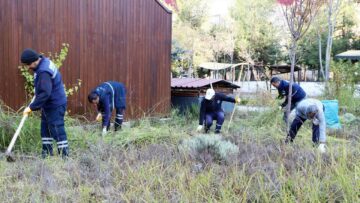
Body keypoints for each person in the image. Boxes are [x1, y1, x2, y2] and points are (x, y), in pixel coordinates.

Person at [20, 48, 69, 158]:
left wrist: (32, 107)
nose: (28, 67)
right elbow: (43, 88)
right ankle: (46, 154)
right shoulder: (43, 61)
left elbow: (45, 93)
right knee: (45, 130)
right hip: (49, 105)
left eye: (28, 64)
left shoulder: (43, 71)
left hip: (55, 104)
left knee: (57, 130)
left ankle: (65, 157)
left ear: (34, 61)